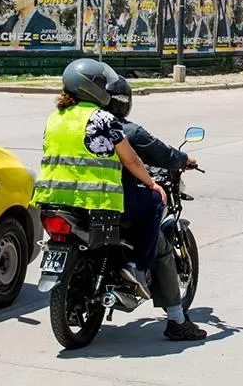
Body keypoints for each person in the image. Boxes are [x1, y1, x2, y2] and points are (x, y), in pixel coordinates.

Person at [32, 59, 206, 342]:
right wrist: (153, 183)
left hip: (56, 199)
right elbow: (134, 158)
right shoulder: (106, 121)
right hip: (100, 202)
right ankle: (169, 311)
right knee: (154, 205)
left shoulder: (56, 118)